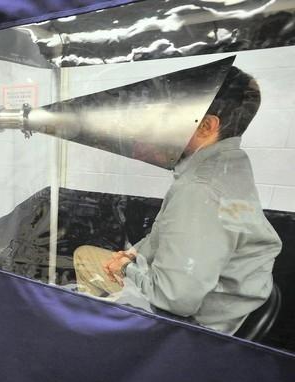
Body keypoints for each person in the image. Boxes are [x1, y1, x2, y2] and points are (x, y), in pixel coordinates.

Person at [73, 66, 282, 335]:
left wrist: (126, 268)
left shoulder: (199, 191)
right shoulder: (231, 164)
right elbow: (169, 239)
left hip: (195, 324)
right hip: (232, 300)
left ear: (207, 126)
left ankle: (98, 338)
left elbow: (175, 300)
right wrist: (134, 253)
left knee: (83, 257)